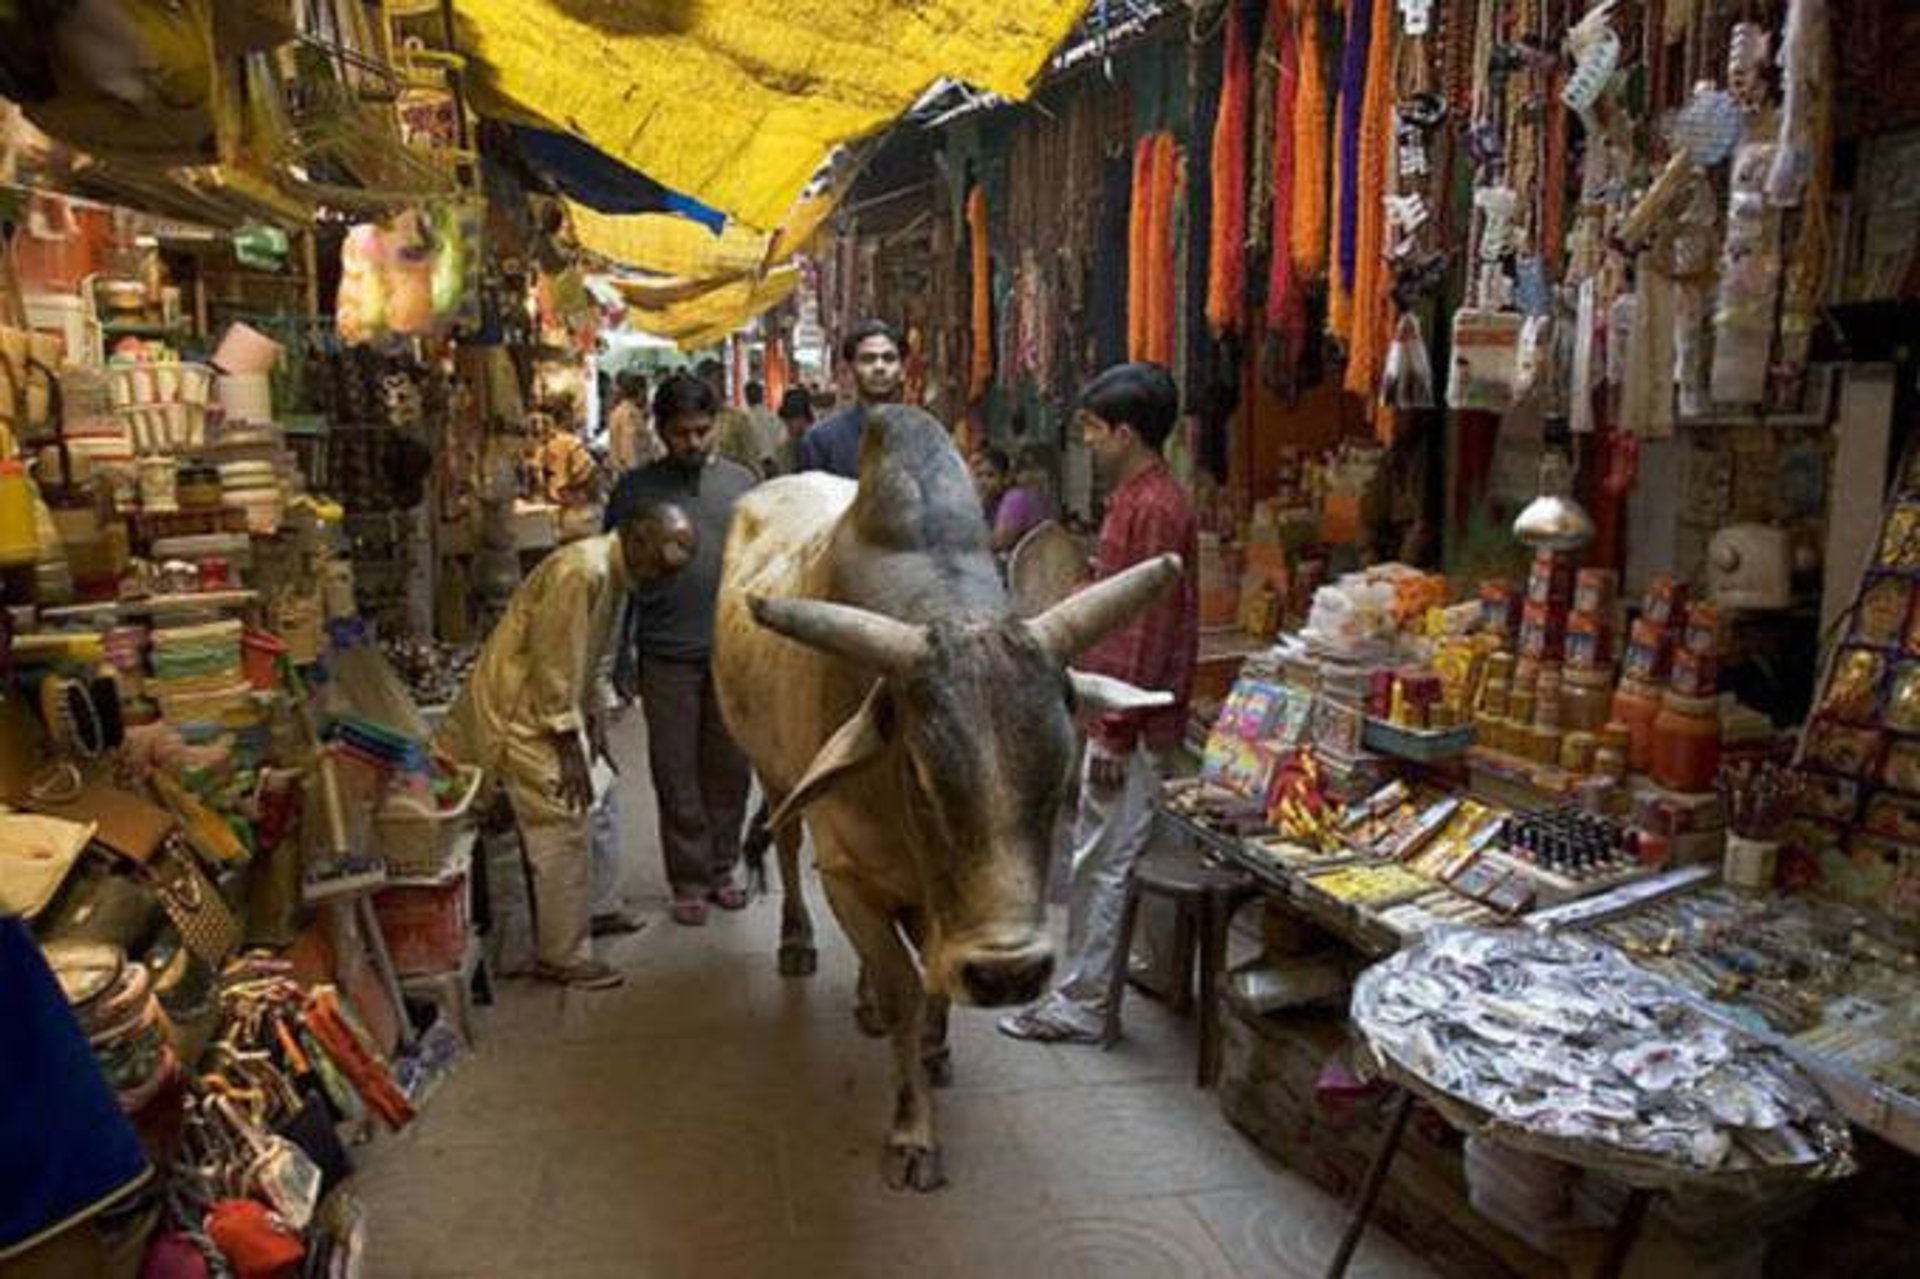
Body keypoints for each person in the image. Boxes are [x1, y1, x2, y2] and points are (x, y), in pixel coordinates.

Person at [1000, 362, 1199, 1043]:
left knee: (1101, 858)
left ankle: (1083, 1002)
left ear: (1125, 431)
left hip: (1129, 717)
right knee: (1128, 849)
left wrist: (1115, 728)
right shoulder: (1141, 498)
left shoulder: (1152, 506)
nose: (1085, 441)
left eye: (1091, 428)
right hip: (1134, 711)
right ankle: (1140, 971)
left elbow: (1142, 629)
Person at [436, 501, 697, 989]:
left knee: (604, 793)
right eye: (661, 567)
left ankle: (596, 908)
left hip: (555, 708)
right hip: (525, 715)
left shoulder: (615, 572)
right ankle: (562, 955)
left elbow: (589, 653)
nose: (663, 581)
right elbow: (555, 662)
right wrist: (570, 746)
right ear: (638, 537)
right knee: (562, 819)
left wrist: (594, 717)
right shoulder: (583, 571)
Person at [604, 373, 759, 926]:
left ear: (716, 424)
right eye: (679, 433)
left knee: (730, 766)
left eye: (701, 430)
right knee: (674, 768)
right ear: (659, 430)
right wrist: (617, 655)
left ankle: (723, 865)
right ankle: (688, 878)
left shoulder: (743, 486)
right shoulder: (635, 491)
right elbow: (614, 577)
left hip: (732, 652)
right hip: (664, 652)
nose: (692, 443)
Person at [794, 319, 904, 477]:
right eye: (868, 359)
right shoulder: (821, 441)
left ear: (902, 369)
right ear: (851, 369)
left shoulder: (924, 439)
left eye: (888, 358)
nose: (879, 367)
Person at [698, 358, 769, 478]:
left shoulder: (738, 419)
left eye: (723, 381)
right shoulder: (693, 420)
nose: (722, 387)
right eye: (714, 382)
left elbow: (751, 460)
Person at [608, 370, 662, 473]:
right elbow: (628, 449)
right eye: (646, 389)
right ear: (641, 391)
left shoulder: (620, 410)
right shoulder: (630, 414)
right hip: (632, 474)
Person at [743, 380, 785, 475]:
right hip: (774, 464)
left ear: (746, 397)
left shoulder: (743, 419)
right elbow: (781, 442)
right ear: (762, 396)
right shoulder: (774, 417)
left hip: (754, 468)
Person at [773, 386, 814, 476]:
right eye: (786, 418)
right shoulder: (784, 449)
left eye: (792, 418)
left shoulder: (820, 445)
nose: (788, 423)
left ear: (805, 418)